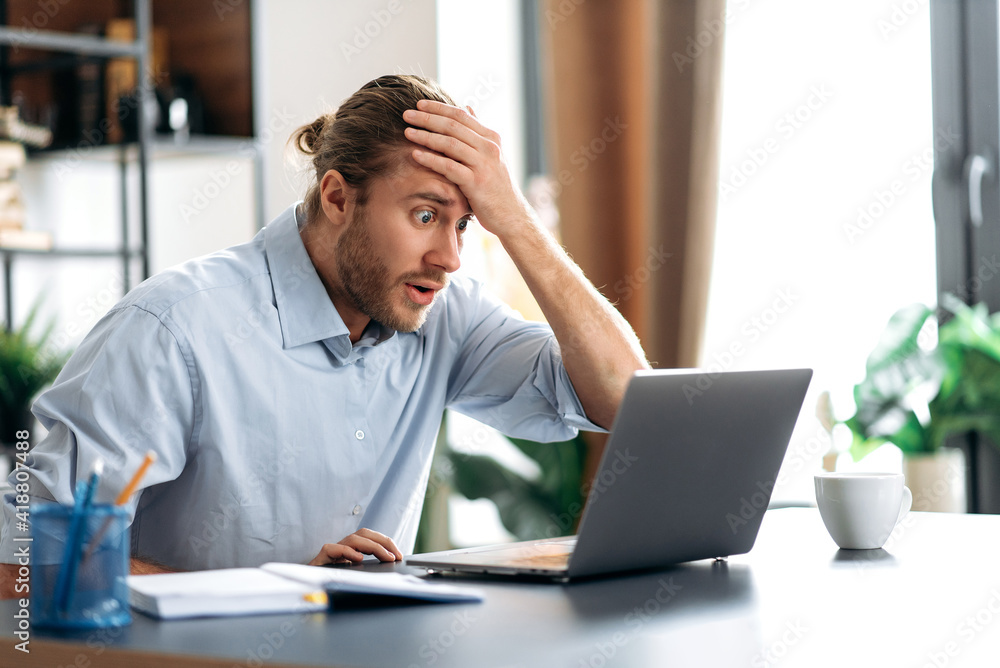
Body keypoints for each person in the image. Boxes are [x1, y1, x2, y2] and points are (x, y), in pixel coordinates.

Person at [0, 75, 648, 595]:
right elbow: (19, 561)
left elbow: (623, 399)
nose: (450, 257)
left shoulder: (444, 312)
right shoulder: (173, 329)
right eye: (425, 215)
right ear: (338, 198)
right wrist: (276, 591)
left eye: (466, 225)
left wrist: (517, 222)